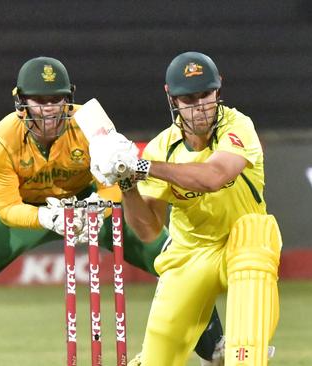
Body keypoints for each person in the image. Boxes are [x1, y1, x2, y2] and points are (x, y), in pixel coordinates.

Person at [0, 56, 224, 366]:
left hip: (89, 203)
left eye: (57, 100)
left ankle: (215, 350)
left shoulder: (90, 121)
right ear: (21, 103)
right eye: (40, 101)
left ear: (68, 97)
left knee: (173, 255)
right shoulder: (0, 138)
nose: (49, 110)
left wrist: (98, 209)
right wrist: (47, 217)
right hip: (32, 211)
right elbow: (7, 209)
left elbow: (115, 174)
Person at [89, 51, 282, 366]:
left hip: (244, 241)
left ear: (218, 89)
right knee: (156, 360)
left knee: (255, 238)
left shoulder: (238, 125)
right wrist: (125, 182)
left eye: (206, 95)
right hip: (191, 253)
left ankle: (242, 355)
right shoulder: (162, 147)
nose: (200, 107)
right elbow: (148, 230)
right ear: (172, 98)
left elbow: (213, 176)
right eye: (189, 99)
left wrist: (141, 166)